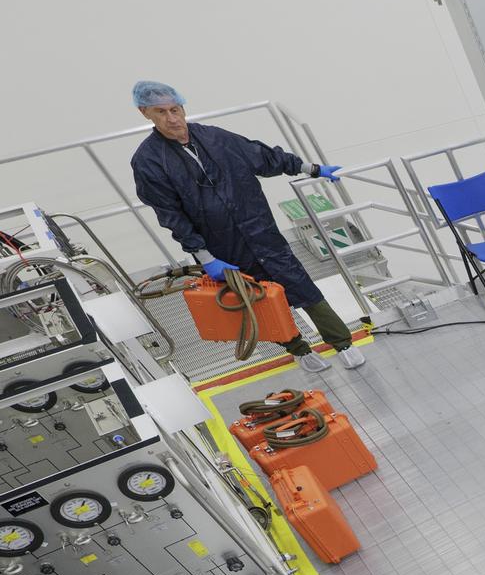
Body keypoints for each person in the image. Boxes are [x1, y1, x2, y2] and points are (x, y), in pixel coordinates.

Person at [129, 80, 365, 372]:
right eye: (161, 112)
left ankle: (342, 343)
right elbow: (171, 215)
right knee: (258, 300)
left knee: (300, 285)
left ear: (183, 108)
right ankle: (298, 350)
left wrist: (312, 169)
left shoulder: (215, 138)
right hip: (221, 246)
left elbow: (263, 157)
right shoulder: (148, 161)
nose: (172, 118)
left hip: (260, 231)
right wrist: (206, 257)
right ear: (145, 113)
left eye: (174, 109)